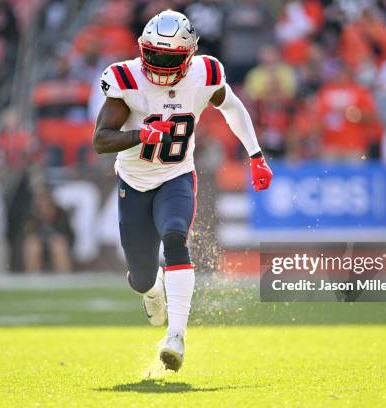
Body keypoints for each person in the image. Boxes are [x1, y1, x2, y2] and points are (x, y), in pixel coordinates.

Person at [92, 10, 272, 371]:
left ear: (188, 55)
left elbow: (233, 107)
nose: (158, 65)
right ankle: (153, 291)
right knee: (141, 277)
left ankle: (176, 337)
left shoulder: (206, 73)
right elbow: (100, 140)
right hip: (135, 182)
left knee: (176, 237)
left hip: (176, 175)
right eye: (153, 55)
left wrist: (255, 154)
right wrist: (139, 135)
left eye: (168, 58)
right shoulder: (125, 78)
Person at [22, 190, 74, 274]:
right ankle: (33, 277)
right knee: (32, 245)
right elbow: (27, 233)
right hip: (39, 246)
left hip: (57, 246)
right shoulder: (31, 216)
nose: (45, 210)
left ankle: (64, 276)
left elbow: (69, 236)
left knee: (58, 244)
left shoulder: (61, 215)